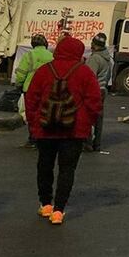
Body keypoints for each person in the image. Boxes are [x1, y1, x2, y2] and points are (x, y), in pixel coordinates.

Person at [24, 34, 102, 225]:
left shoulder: (44, 71)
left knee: (44, 165)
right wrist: (87, 123)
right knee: (67, 169)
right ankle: (58, 210)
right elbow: (94, 102)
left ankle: (45, 204)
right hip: (73, 130)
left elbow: (31, 99)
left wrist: (34, 123)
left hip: (46, 127)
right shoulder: (84, 72)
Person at [14, 34, 53, 147]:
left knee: (32, 115)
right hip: (46, 90)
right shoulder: (51, 56)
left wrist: (19, 85)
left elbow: (21, 73)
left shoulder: (29, 55)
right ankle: (43, 137)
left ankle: (33, 138)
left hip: (30, 89)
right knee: (44, 114)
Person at [83, 33, 112, 152]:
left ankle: (87, 143)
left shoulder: (94, 58)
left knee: (88, 116)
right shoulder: (107, 59)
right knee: (98, 118)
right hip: (102, 89)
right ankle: (97, 143)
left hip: (93, 90)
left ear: (94, 45)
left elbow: (88, 77)